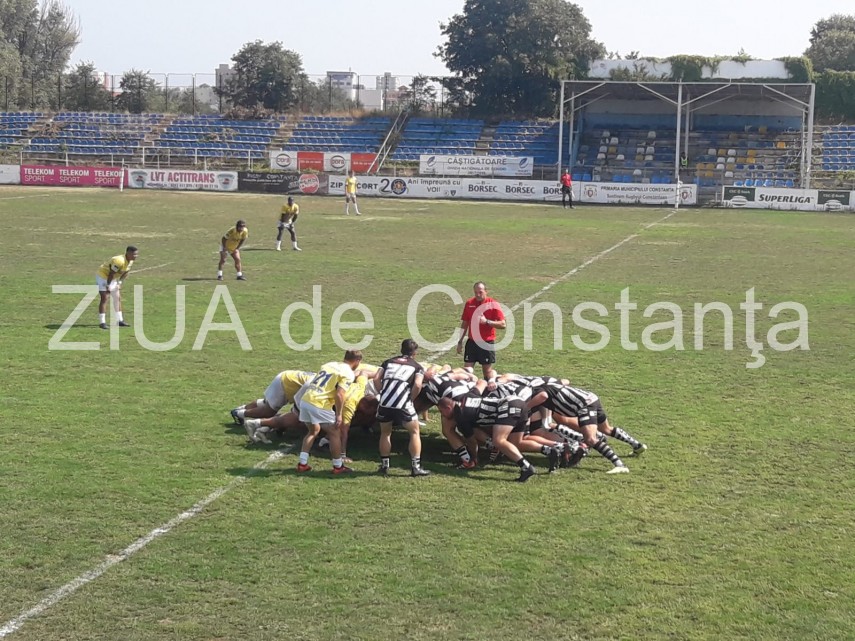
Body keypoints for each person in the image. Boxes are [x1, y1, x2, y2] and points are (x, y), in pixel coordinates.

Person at [527, 379, 647, 474]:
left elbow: (542, 396)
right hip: (591, 399)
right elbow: (565, 381)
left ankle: (620, 465)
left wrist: (525, 407)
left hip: (584, 406)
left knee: (590, 439)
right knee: (606, 429)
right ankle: (637, 445)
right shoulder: (548, 384)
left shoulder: (536, 391)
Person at [436, 380, 536, 483]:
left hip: (508, 406)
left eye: (441, 412)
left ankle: (526, 467)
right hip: (517, 401)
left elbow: (471, 441)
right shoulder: (467, 395)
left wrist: (474, 458)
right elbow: (482, 383)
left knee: (499, 440)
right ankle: (548, 450)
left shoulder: (460, 417)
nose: (443, 415)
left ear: (448, 408)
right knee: (514, 442)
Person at [295, 350, 363, 474]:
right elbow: (340, 394)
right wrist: (338, 414)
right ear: (357, 361)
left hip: (306, 399)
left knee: (313, 431)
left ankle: (302, 464)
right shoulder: (348, 373)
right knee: (335, 432)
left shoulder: (329, 365)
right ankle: (338, 466)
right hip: (319, 403)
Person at [374, 339, 429, 477]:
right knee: (414, 432)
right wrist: (411, 399)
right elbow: (417, 385)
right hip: (403, 404)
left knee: (385, 433)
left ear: (401, 349)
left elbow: (376, 379)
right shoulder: (417, 366)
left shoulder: (388, 362)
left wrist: (384, 393)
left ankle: (384, 465)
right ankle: (415, 467)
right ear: (415, 353)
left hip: (385, 403)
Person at [456, 281, 506, 384]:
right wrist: (460, 341)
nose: (478, 295)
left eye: (480, 292)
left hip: (486, 343)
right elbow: (465, 324)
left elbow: (503, 324)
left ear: (486, 291)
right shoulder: (469, 303)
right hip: (472, 342)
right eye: (475, 292)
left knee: (487, 373)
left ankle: (488, 392)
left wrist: (487, 322)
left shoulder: (493, 304)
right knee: (467, 372)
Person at [230, 369, 314, 426]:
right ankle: (238, 413)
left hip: (288, 378)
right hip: (286, 382)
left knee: (266, 404)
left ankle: (243, 408)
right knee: (268, 413)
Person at [96, 245, 138, 330]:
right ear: (128, 253)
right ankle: (102, 322)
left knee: (117, 297)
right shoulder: (119, 261)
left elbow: (126, 272)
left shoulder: (130, 261)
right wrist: (108, 285)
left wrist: (120, 282)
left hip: (112, 278)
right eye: (134, 254)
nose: (136, 256)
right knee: (105, 297)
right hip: (103, 276)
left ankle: (120, 320)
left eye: (136, 254)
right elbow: (111, 273)